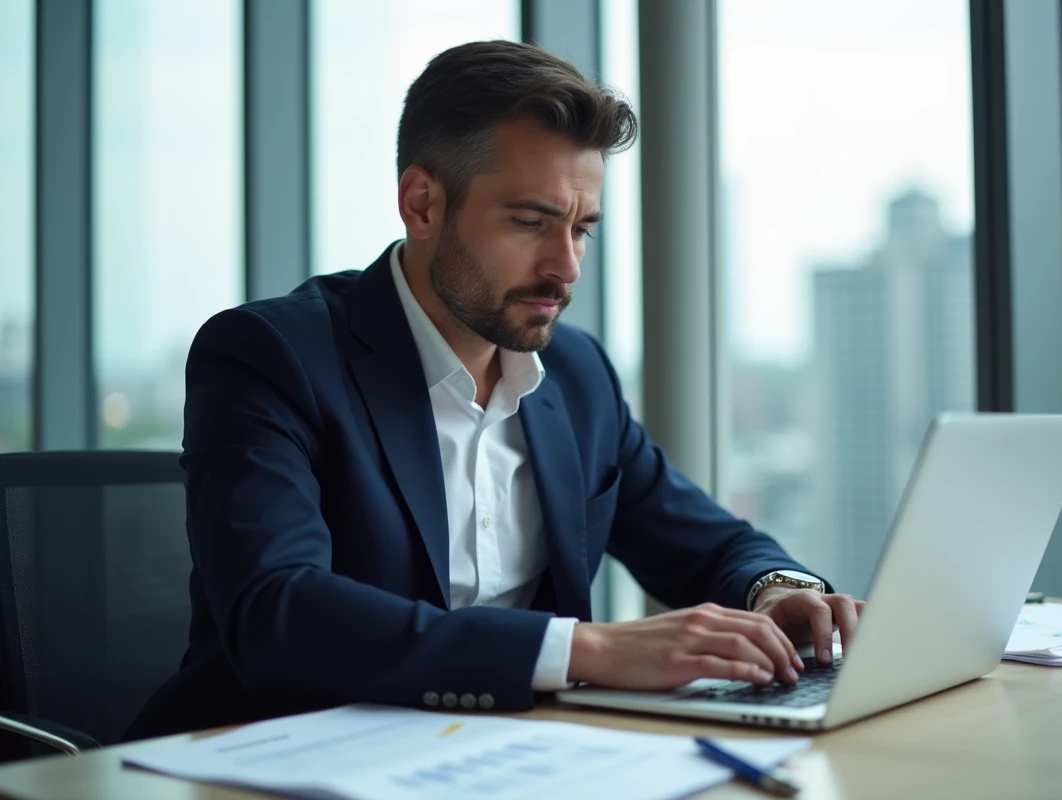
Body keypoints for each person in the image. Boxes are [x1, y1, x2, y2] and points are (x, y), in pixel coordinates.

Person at [126, 40, 864, 740]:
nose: (566, 267)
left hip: (508, 757)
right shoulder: (271, 356)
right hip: (266, 760)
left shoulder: (577, 375)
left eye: (582, 229)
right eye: (531, 222)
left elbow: (708, 542)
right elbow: (278, 614)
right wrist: (586, 650)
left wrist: (777, 589)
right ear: (422, 204)